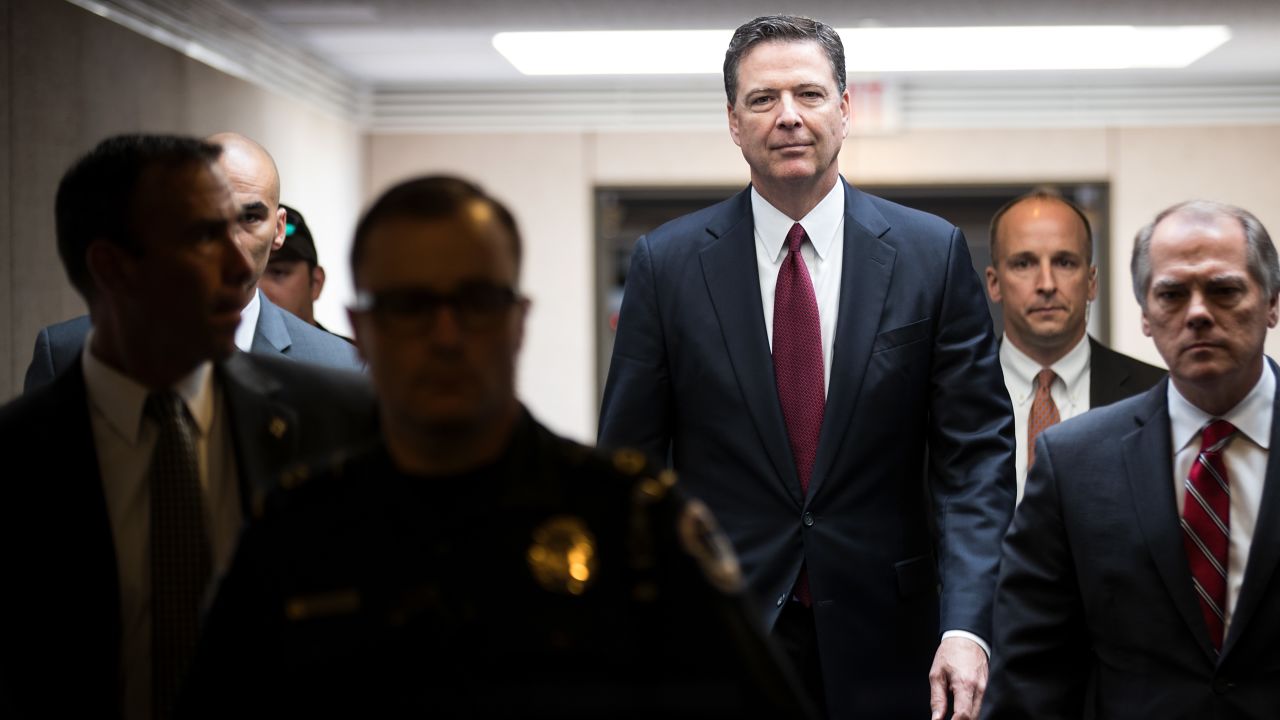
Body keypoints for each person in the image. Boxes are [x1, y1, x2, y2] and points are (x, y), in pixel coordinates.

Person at [180, 176, 813, 718]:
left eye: (476, 301)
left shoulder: (635, 523)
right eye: (411, 306)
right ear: (362, 331)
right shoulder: (295, 533)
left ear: (517, 321)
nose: (447, 335)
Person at [597, 14, 1015, 720]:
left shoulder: (930, 255)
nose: (788, 116)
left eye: (809, 94)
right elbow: (630, 465)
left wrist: (968, 624)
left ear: (845, 109)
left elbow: (974, 462)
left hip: (897, 643)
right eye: (763, 99)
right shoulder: (666, 266)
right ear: (734, 122)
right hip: (722, 636)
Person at [0, 134, 376, 720]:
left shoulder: (334, 408)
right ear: (113, 266)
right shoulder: (19, 460)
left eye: (246, 224)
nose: (238, 262)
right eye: (200, 236)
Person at [986, 200, 1280, 718]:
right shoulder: (1075, 461)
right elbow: (1034, 673)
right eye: (1171, 293)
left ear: (1272, 302)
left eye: (1224, 289)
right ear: (1145, 315)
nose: (1197, 312)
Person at [22, 133, 361, 392]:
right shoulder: (67, 353)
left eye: (250, 217)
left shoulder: (336, 366)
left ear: (278, 228)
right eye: (208, 222)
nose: (231, 246)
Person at [985, 189, 1165, 499]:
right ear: (994, 283)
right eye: (1024, 264)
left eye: (1065, 262)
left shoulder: (1158, 396)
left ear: (1092, 281)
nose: (1046, 284)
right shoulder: (949, 397)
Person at [260, 203, 350, 341]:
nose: (258, 291)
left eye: (278, 272)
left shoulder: (353, 360)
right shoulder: (224, 357)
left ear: (315, 283)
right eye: (247, 275)